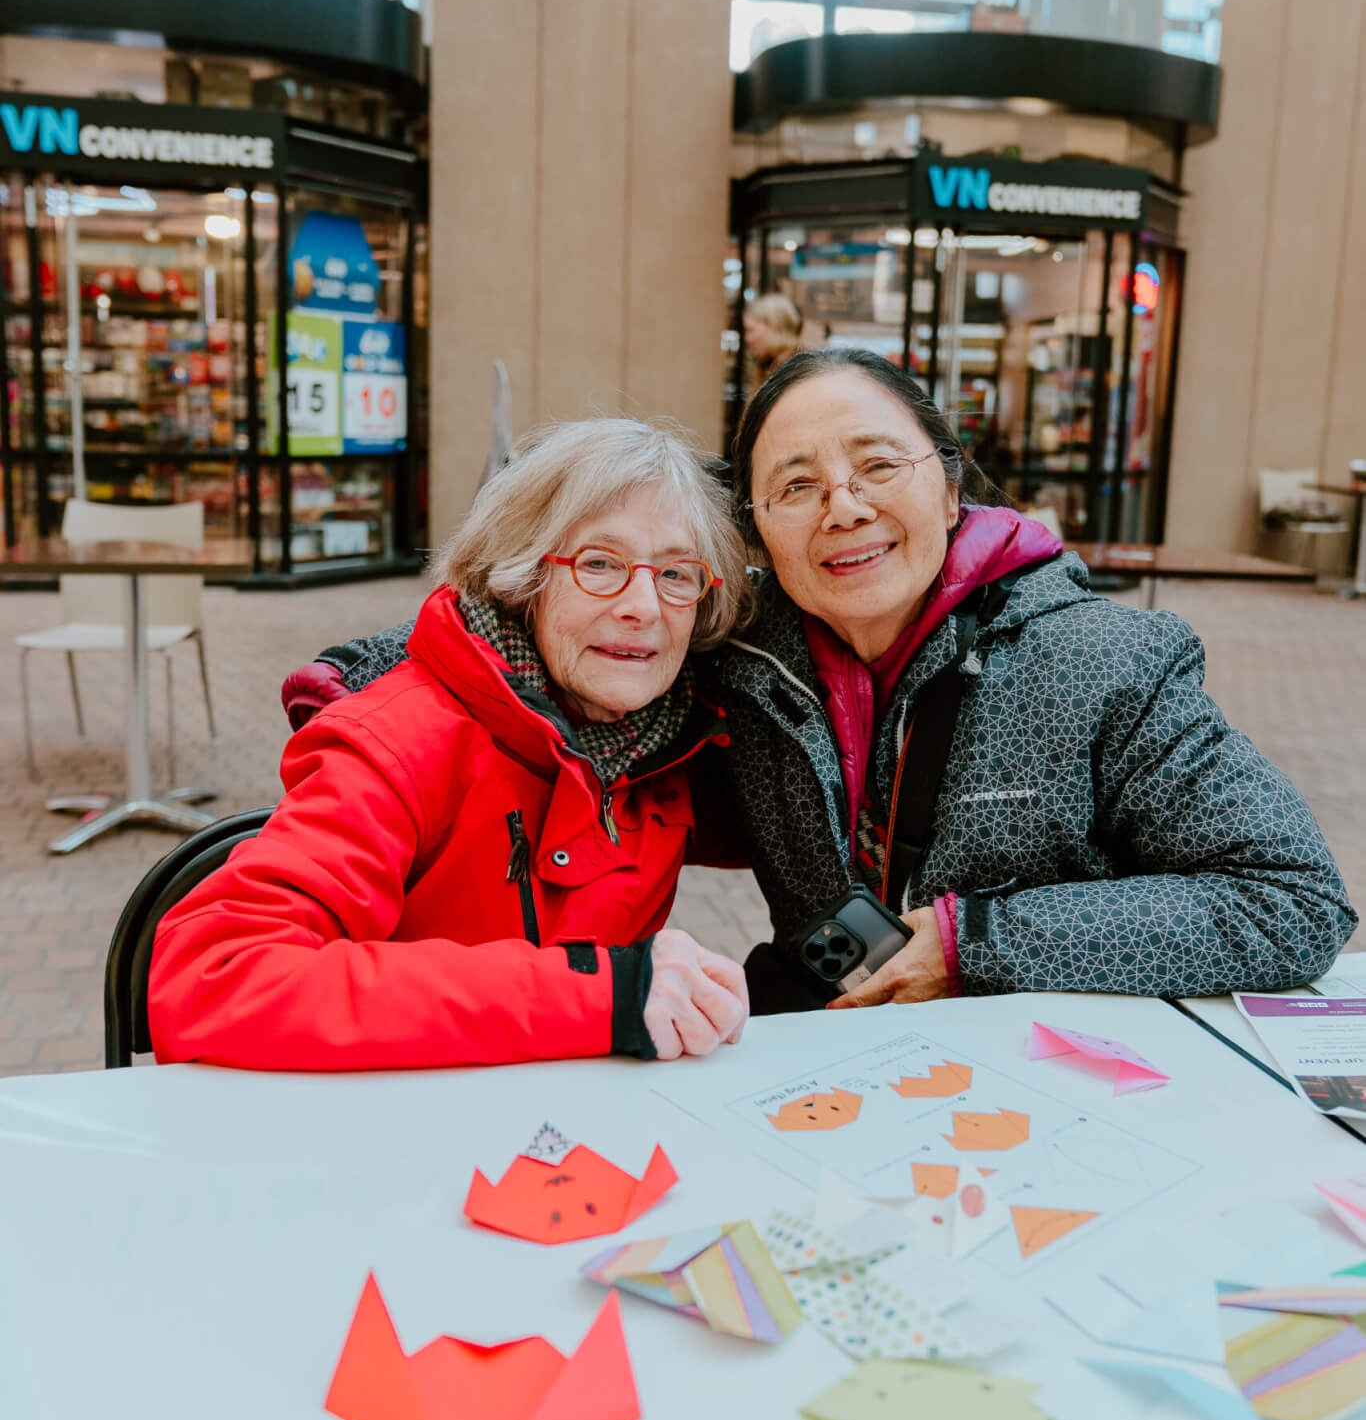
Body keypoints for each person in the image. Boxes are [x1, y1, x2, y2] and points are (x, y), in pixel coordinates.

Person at [713, 348, 1356, 1010]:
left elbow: (1293, 900)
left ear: (950, 491)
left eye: (878, 466)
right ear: (757, 525)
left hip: (1042, 1058)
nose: (843, 509)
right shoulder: (738, 667)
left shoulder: (1101, 660)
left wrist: (978, 945)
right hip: (826, 1049)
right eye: (796, 487)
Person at [148, 418, 752, 1071]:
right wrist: (602, 996)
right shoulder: (401, 742)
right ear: (522, 578)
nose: (645, 606)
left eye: (676, 573)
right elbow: (215, 974)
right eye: (599, 564)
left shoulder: (671, 740)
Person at [743, 292, 803, 395]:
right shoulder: (767, 365)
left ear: (774, 327)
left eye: (751, 330)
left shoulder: (797, 370)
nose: (747, 339)